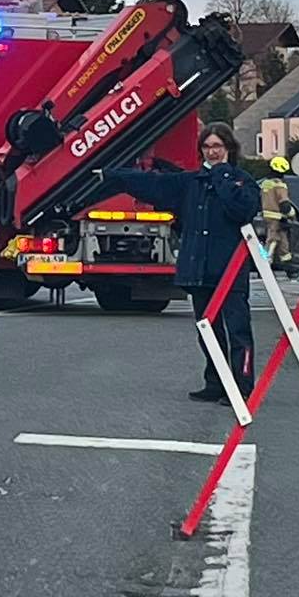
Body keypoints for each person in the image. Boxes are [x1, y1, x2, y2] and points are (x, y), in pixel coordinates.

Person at [90, 123, 263, 404]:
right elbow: (153, 184)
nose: (213, 151)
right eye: (207, 147)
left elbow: (242, 209)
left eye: (218, 146)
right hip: (199, 269)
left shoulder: (243, 182)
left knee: (238, 330)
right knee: (207, 329)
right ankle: (215, 382)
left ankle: (242, 387)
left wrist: (221, 176)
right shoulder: (189, 183)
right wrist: (113, 176)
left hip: (229, 272)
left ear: (229, 148)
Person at [259, 156, 294, 270]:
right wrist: (291, 213)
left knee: (282, 240)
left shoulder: (265, 184)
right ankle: (265, 262)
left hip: (266, 215)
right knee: (273, 239)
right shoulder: (280, 185)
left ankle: (287, 263)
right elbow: (284, 204)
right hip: (277, 217)